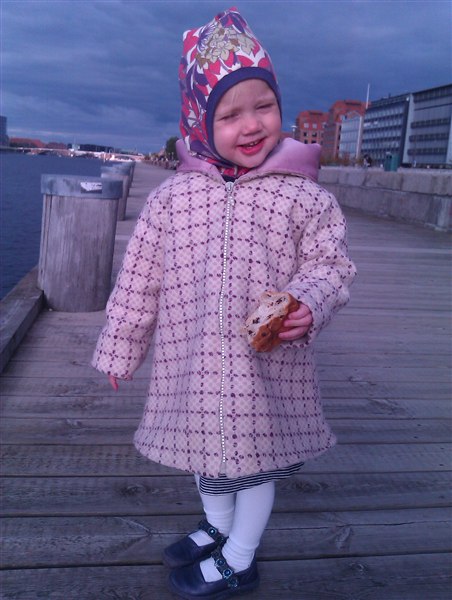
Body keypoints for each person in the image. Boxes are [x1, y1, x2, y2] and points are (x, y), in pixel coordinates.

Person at [92, 7, 356, 599]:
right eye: (230, 115)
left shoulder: (303, 196)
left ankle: (239, 556)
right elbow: (140, 278)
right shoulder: (173, 198)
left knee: (253, 462)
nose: (252, 124)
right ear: (199, 122)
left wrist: (309, 301)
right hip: (190, 361)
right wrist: (120, 345)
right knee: (205, 455)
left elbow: (331, 265)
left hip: (264, 368)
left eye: (264, 106)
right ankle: (217, 524)